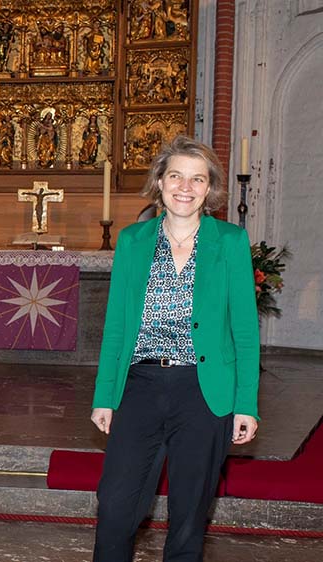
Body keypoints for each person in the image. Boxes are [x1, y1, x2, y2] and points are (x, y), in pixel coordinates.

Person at [90, 135, 260, 561]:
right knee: (114, 505)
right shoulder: (133, 241)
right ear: (160, 182)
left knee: (188, 516)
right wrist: (103, 397)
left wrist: (246, 404)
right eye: (176, 176)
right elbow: (116, 328)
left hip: (204, 391)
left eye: (197, 179)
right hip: (141, 385)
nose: (185, 187)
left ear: (209, 188)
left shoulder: (230, 241)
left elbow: (244, 330)